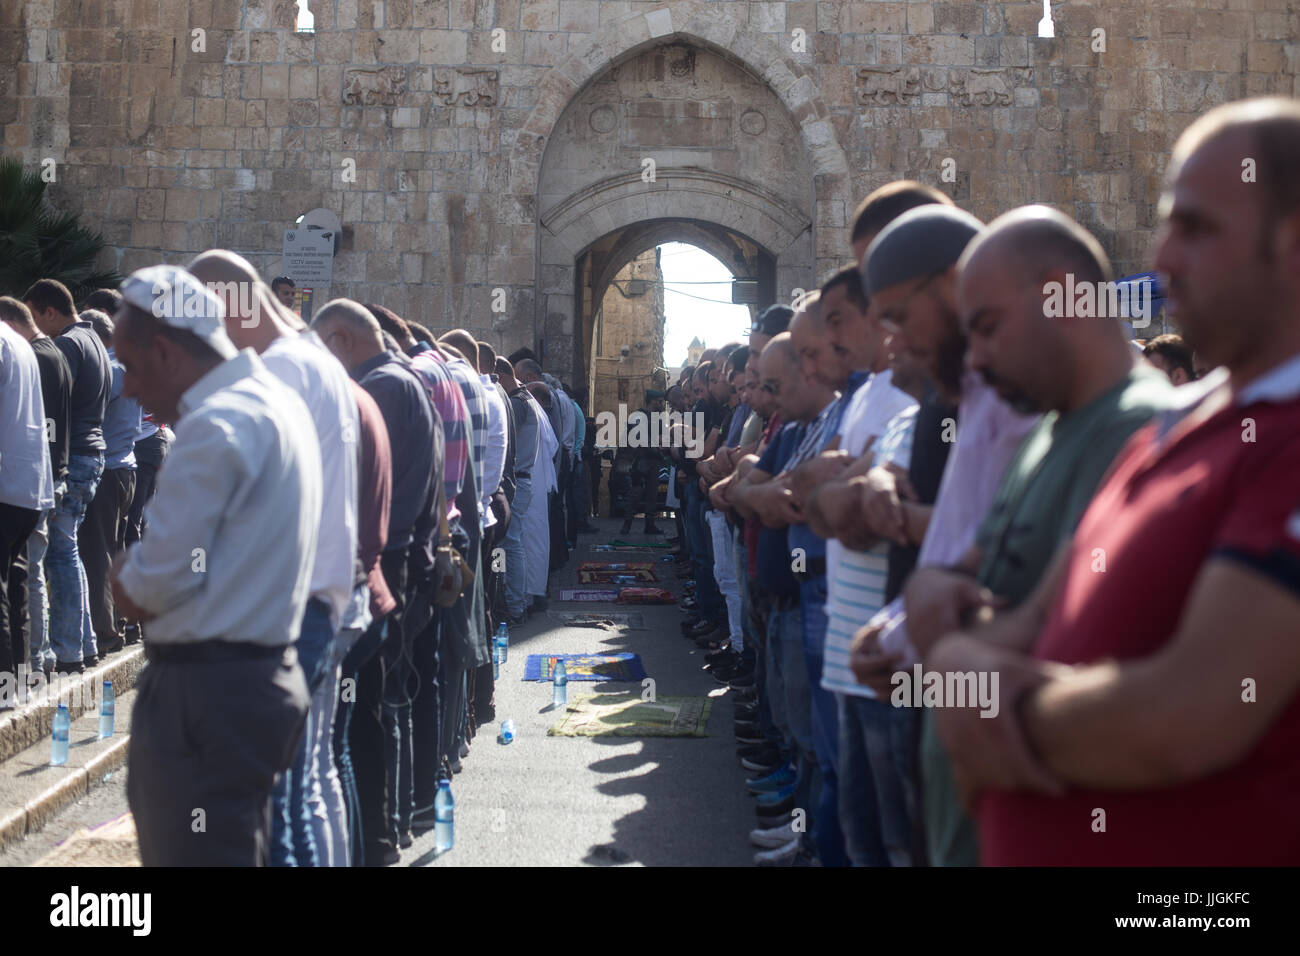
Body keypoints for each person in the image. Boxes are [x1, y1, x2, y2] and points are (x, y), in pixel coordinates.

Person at [930, 96, 1300, 867]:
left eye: (1196, 228)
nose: (1162, 258)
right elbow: (1030, 622)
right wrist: (960, 670)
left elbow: (1188, 712)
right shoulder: (1173, 430)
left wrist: (993, 714)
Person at [110, 265, 319, 866]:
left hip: (207, 693)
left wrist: (125, 572)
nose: (126, 388)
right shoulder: (273, 402)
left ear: (166, 351)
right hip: (252, 680)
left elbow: (149, 587)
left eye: (130, 365)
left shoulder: (214, 428)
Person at [190, 250, 360, 867]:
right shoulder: (314, 360)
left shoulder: (282, 370)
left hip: (288, 612)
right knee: (307, 790)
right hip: (323, 598)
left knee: (276, 806)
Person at [312, 299, 438, 866]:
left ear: (341, 341)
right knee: (378, 706)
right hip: (404, 560)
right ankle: (388, 829)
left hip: (387, 566)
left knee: (365, 713)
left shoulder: (381, 390)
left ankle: (376, 839)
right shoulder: (406, 381)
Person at [24, 279, 111, 674]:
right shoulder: (93, 339)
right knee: (69, 551)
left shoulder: (68, 345)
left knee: (58, 554)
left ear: (48, 311)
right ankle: (83, 644)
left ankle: (65, 649)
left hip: (73, 456)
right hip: (92, 454)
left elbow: (55, 405)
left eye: (36, 318)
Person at [0, 297, 70, 683]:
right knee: (17, 583)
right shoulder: (21, 346)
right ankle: (17, 680)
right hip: (28, 485)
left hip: (8, 481)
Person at [77, 310, 140, 658]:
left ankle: (104, 632)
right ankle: (118, 622)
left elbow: (91, 417)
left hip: (109, 469)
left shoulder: (110, 369)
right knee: (114, 551)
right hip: (126, 465)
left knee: (97, 553)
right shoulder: (126, 367)